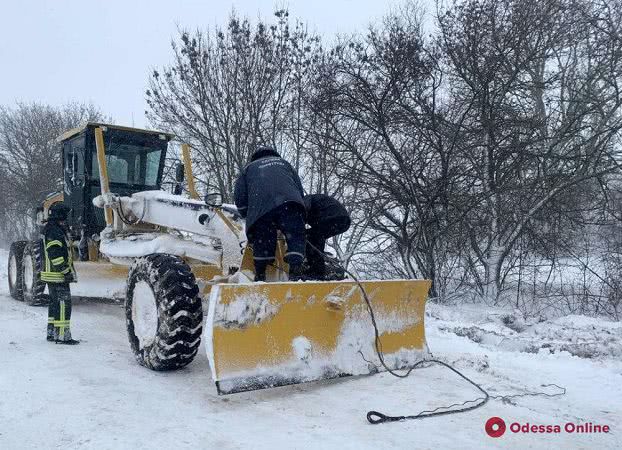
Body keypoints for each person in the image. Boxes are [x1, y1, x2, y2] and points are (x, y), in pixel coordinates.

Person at [234, 145, 307, 281]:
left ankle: (260, 275)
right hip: (290, 204)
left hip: (262, 209)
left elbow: (240, 196)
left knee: (263, 237)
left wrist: (246, 213)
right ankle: (296, 272)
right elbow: (299, 188)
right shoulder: (285, 164)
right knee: (295, 234)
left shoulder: (249, 169)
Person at [41, 202, 79, 344]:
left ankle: (52, 333)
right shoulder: (55, 231)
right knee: (64, 304)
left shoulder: (51, 228)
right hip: (58, 276)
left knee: (55, 304)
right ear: (61, 215)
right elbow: (55, 253)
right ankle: (63, 336)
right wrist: (65, 271)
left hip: (53, 275)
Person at [303, 194, 351, 280]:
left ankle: (317, 271)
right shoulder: (315, 203)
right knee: (315, 237)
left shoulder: (304, 200)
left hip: (333, 217)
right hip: (343, 221)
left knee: (313, 238)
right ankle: (317, 269)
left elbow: (304, 208)